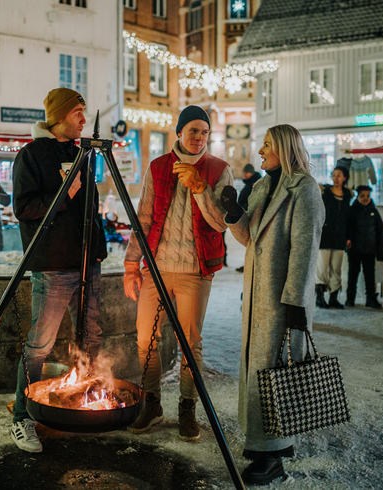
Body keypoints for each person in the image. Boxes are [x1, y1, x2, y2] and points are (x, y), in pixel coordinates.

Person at [219, 124, 324, 485]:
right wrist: (234, 213)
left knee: (276, 377)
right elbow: (251, 239)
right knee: (259, 373)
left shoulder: (305, 190)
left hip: (282, 301)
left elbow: (305, 250)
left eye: (266, 145)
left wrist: (296, 303)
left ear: (284, 148)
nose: (260, 151)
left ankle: (274, 455)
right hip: (259, 299)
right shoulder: (263, 186)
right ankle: (260, 445)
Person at [122, 105, 233, 442]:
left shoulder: (219, 170)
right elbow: (143, 218)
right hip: (156, 268)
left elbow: (222, 223)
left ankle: (188, 407)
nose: (199, 137)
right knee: (144, 340)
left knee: (190, 345)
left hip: (195, 272)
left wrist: (201, 189)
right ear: (180, 132)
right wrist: (131, 264)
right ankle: (152, 403)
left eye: (204, 132)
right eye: (193, 130)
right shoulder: (158, 167)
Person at [10, 87, 107, 453]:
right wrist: (65, 194)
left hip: (86, 260)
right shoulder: (32, 154)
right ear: (60, 116)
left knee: (91, 336)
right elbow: (23, 208)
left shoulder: (81, 152)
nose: (84, 118)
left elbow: (91, 206)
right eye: (78, 112)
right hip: (52, 264)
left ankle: (85, 401)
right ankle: (22, 417)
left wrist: (96, 248)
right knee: (40, 343)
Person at [315, 165, 353, 309]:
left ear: (345, 178)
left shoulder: (348, 195)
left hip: (340, 236)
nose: (336, 178)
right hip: (324, 235)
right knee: (322, 268)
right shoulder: (324, 192)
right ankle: (319, 298)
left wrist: (348, 237)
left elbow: (348, 218)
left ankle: (333, 297)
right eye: (334, 175)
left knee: (336, 269)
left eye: (339, 175)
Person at [345, 185, 383, 309]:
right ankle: (350, 299)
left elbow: (379, 232)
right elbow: (347, 228)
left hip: (370, 249)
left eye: (368, 196)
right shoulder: (352, 211)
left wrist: (380, 251)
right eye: (362, 196)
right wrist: (348, 241)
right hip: (355, 249)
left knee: (370, 276)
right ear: (357, 197)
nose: (366, 198)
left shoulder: (374, 211)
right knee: (353, 275)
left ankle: (371, 299)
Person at [235, 164, 261, 273]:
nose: (244, 175)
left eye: (246, 173)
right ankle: (249, 264)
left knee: (254, 244)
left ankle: (253, 266)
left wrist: (245, 208)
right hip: (248, 217)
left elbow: (254, 201)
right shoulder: (251, 183)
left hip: (253, 218)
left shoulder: (255, 184)